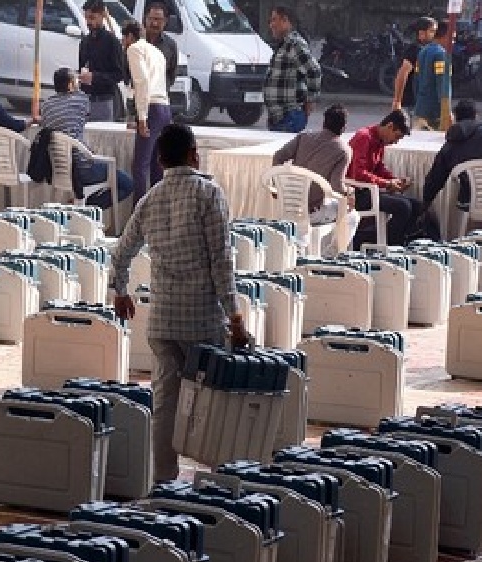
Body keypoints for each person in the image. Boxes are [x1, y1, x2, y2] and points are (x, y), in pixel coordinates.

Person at [110, 123, 249, 482]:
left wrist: (121, 291)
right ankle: (214, 481)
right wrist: (234, 317)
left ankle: (164, 481)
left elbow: (121, 251)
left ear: (159, 159)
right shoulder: (209, 194)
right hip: (202, 322)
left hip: (162, 323)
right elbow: (221, 261)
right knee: (214, 404)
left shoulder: (149, 199)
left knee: (165, 405)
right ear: (194, 154)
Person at [272, 104, 361, 254]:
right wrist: (350, 192)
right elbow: (336, 186)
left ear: (323, 122)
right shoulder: (343, 150)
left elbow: (278, 156)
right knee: (352, 216)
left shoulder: (304, 137)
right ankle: (332, 254)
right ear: (344, 127)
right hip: (313, 211)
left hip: (288, 206)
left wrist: (276, 186)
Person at [41, 68, 134, 208]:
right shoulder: (81, 99)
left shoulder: (46, 105)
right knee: (127, 184)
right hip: (82, 168)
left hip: (57, 168)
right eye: (75, 80)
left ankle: (81, 206)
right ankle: (88, 206)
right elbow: (86, 114)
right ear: (70, 85)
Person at [346, 109, 427, 247]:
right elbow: (358, 174)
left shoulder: (379, 141)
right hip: (357, 193)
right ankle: (393, 244)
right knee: (403, 207)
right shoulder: (364, 137)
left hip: (370, 190)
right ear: (390, 126)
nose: (395, 142)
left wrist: (395, 180)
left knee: (417, 206)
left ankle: (397, 239)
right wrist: (387, 184)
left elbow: (378, 168)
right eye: (396, 137)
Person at [122, 20, 172, 202]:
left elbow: (142, 82)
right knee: (157, 166)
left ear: (129, 37)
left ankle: (140, 214)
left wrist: (141, 117)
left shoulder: (134, 49)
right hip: (165, 108)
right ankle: (157, 210)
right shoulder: (157, 52)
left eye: (123, 39)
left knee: (140, 166)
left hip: (151, 107)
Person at [263, 5, 321, 133]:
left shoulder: (294, 44)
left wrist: (310, 100)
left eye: (274, 20)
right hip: (279, 117)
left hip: (290, 116)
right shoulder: (283, 45)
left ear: (285, 21)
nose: (271, 25)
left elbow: (314, 71)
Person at [78, 0, 126, 122]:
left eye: (92, 18)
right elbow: (82, 68)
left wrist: (94, 77)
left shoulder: (112, 42)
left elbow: (119, 74)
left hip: (104, 100)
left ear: (102, 16)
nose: (89, 22)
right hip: (84, 100)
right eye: (87, 18)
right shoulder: (85, 42)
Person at [392, 17, 437, 112]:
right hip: (411, 103)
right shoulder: (415, 50)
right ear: (421, 33)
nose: (435, 34)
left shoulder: (428, 50)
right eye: (432, 31)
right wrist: (397, 101)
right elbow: (402, 73)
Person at [413, 19, 452, 131]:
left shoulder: (422, 52)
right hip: (434, 113)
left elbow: (416, 81)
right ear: (445, 36)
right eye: (452, 38)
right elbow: (442, 84)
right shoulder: (441, 54)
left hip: (420, 108)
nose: (453, 42)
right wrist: (446, 111)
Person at [143, 1, 178, 98]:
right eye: (151, 19)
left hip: (159, 100)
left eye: (158, 19)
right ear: (145, 19)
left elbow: (171, 75)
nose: (154, 23)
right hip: (137, 100)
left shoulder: (170, 45)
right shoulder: (137, 42)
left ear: (165, 21)